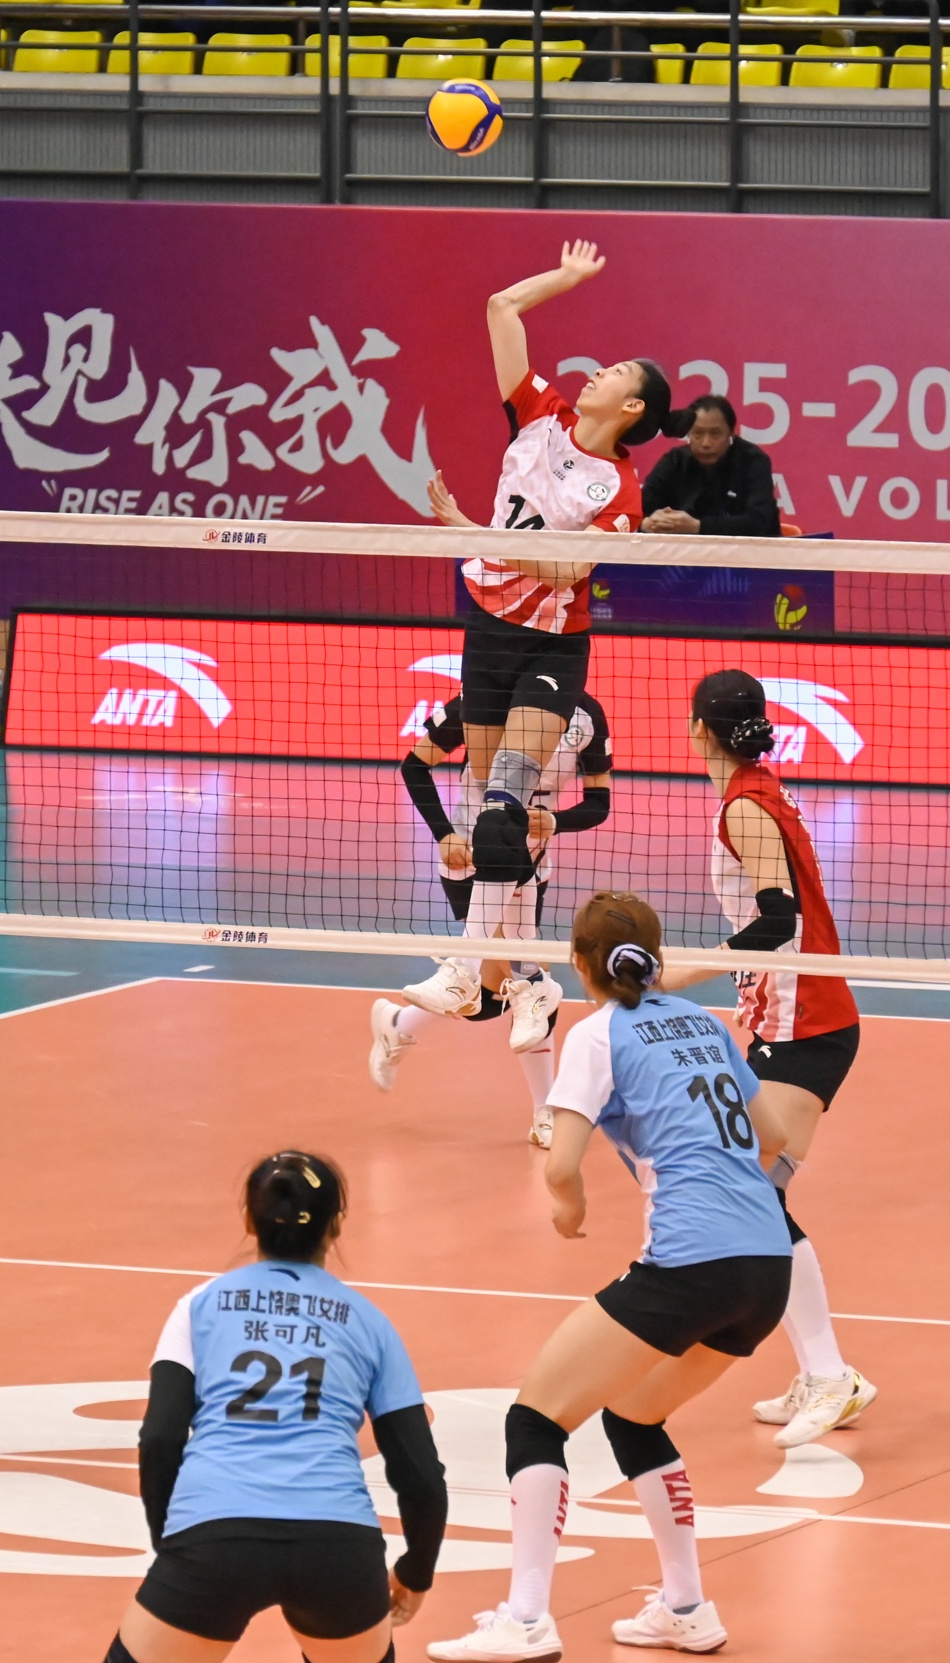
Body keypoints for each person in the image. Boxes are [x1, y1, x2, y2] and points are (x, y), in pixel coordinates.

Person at [429, 894, 788, 1663]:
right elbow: (776, 1136)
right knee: (633, 1415)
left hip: (691, 1261)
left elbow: (560, 1164)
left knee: (535, 1419)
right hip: (769, 1266)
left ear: (580, 963)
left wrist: (571, 1207)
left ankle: (527, 1618)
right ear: (657, 957)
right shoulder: (703, 1023)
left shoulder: (598, 1033)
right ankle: (685, 1606)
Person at [410, 240, 679, 1039]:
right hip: (486, 630)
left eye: (616, 373)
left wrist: (473, 531)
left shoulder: (619, 489)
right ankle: (526, 981)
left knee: (507, 803)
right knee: (488, 817)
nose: (597, 372)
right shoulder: (540, 413)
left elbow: (566, 569)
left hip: (551, 647)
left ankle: (470, 967)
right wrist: (563, 279)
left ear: (633, 410)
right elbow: (500, 307)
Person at [112, 1151, 447, 1663]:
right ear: (336, 1225)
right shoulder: (370, 1324)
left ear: (250, 1221)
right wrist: (416, 1571)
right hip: (337, 1544)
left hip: (216, 1531)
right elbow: (420, 1474)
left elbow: (160, 1437)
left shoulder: (197, 1307)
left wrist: (176, 1548)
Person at [655, 669, 875, 1448]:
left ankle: (832, 1374)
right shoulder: (759, 791)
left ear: (698, 730)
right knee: (757, 1199)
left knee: (754, 1199)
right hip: (791, 1021)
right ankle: (824, 1372)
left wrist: (678, 973)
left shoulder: (745, 806)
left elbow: (778, 919)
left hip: (807, 1026)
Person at [372, 691, 613, 1147]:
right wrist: (444, 834)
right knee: (530, 984)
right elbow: (415, 766)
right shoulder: (482, 697)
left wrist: (555, 822)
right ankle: (545, 1112)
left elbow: (599, 801)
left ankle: (397, 1025)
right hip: (471, 861)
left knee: (491, 999)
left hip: (533, 867)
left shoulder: (586, 714)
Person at [639, 394, 778, 538]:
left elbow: (758, 522)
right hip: (682, 550)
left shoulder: (753, 461)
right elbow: (638, 511)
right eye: (698, 433)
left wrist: (698, 527)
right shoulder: (674, 461)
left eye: (715, 434)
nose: (706, 443)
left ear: (731, 434)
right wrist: (647, 524)